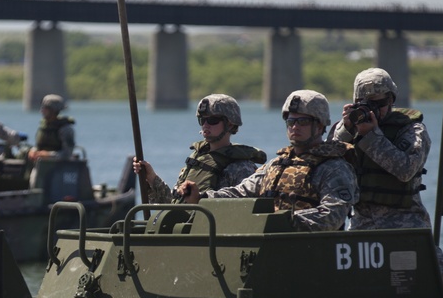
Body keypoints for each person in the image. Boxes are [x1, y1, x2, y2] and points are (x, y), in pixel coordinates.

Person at [330, 67, 443, 294]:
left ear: (391, 100)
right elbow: (328, 159)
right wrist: (346, 129)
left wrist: (371, 136)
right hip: (363, 221)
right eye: (366, 103)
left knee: (440, 272)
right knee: (349, 279)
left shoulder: (412, 130)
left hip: (405, 222)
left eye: (379, 103)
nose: (374, 110)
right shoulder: (348, 129)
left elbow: (405, 169)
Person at [180, 89, 357, 232]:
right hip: (271, 251)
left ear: (319, 125)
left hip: (310, 252)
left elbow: (333, 215)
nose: (294, 127)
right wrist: (202, 197)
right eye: (290, 121)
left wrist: (282, 221)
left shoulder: (333, 168)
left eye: (302, 121)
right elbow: (240, 193)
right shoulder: (275, 165)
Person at [133, 94, 266, 204]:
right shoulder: (196, 161)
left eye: (213, 120)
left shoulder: (241, 168)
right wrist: (151, 179)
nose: (206, 125)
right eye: (202, 120)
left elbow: (242, 210)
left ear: (230, 124)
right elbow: (174, 203)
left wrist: (201, 199)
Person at [27, 94, 76, 162]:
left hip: (59, 166)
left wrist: (49, 155)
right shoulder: (44, 126)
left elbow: (67, 154)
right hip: (41, 164)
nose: (42, 111)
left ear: (53, 110)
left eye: (45, 108)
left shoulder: (65, 129)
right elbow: (39, 146)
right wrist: (33, 150)